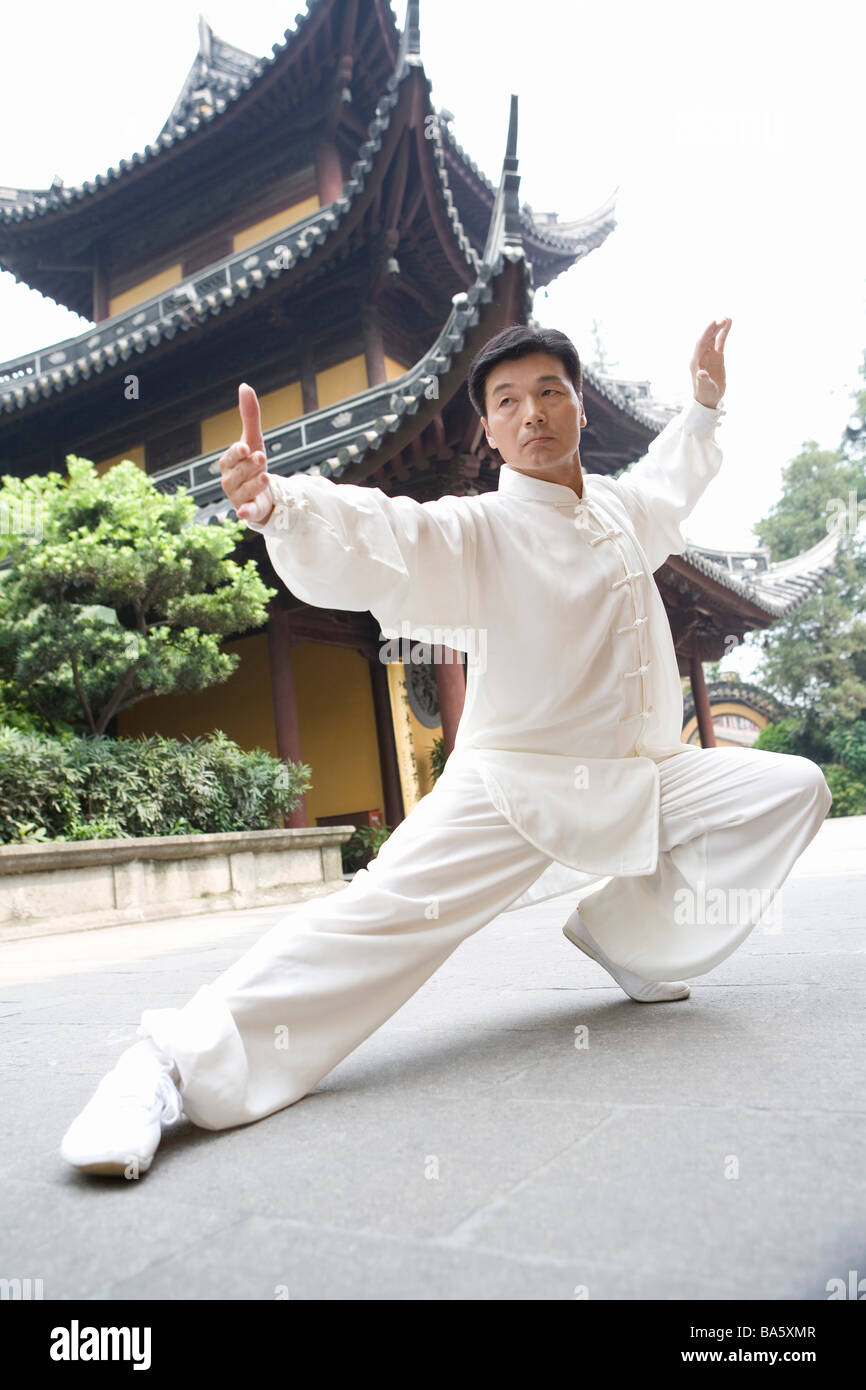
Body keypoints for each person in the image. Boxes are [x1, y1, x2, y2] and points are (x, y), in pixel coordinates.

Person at [60, 317, 832, 1177]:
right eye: (508, 402)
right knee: (374, 921)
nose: (532, 413)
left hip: (646, 774)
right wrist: (283, 503)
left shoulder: (623, 508)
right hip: (511, 788)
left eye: (550, 392)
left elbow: (673, 478)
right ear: (491, 430)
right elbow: (391, 529)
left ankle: (628, 935)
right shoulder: (479, 528)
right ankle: (165, 1067)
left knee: (791, 787)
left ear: (579, 408)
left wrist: (703, 407)